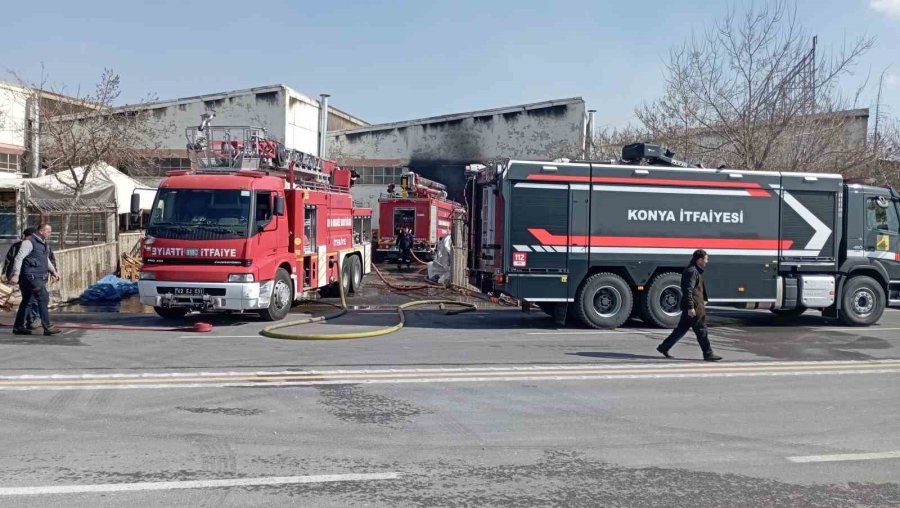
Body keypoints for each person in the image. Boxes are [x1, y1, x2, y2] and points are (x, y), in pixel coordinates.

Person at [656, 249, 722, 361]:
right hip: (695, 307)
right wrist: (691, 307)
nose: (707, 261)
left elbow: (696, 289)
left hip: (694, 305)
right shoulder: (692, 271)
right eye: (706, 259)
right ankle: (708, 354)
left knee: (681, 329)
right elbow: (688, 290)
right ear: (699, 260)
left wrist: (703, 299)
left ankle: (664, 347)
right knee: (701, 330)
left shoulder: (694, 270)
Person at [10, 223, 61, 336]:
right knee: (43, 298)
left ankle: (18, 327)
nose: (50, 233)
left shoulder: (43, 244)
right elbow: (19, 258)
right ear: (41, 231)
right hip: (31, 277)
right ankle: (47, 327)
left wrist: (53, 271)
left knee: (27, 301)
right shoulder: (28, 242)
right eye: (48, 231)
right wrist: (16, 274)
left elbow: (45, 259)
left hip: (35, 277)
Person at [3, 227, 41, 329]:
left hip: (33, 276)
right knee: (29, 299)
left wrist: (52, 271)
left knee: (31, 299)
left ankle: (31, 320)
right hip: (24, 276)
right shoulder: (17, 246)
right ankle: (29, 320)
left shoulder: (38, 245)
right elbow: (10, 260)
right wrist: (7, 274)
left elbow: (47, 258)